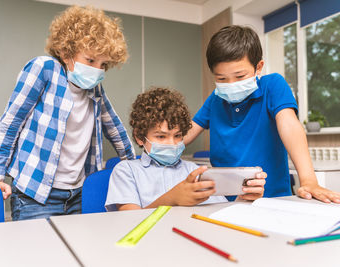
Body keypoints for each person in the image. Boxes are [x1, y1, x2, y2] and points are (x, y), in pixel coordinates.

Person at [0, 5, 135, 220]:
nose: (96, 70)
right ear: (66, 52)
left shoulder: (95, 89)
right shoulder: (45, 69)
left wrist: (133, 164)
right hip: (36, 195)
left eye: (103, 64)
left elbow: (115, 127)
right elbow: (11, 123)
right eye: (90, 60)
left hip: (79, 194)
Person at [184, 25, 340, 203]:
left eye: (240, 76)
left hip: (272, 199)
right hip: (224, 202)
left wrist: (309, 180)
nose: (231, 84)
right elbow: (187, 131)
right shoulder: (215, 99)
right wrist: (159, 144)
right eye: (221, 79)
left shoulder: (272, 85)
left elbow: (289, 125)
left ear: (258, 67)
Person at [105, 87, 266, 211]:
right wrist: (172, 199)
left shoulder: (194, 172)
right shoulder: (126, 171)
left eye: (178, 135)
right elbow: (129, 222)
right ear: (140, 137)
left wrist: (244, 198)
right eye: (161, 137)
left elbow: (220, 213)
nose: (172, 143)